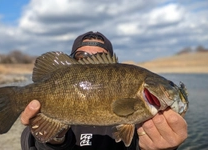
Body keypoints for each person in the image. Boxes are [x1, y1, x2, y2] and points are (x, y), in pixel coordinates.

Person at [21, 31, 188, 150]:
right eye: (83, 56)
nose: (92, 61)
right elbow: (29, 141)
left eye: (100, 57)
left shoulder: (143, 121)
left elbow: (137, 143)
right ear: (71, 60)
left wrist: (160, 147)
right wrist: (54, 137)